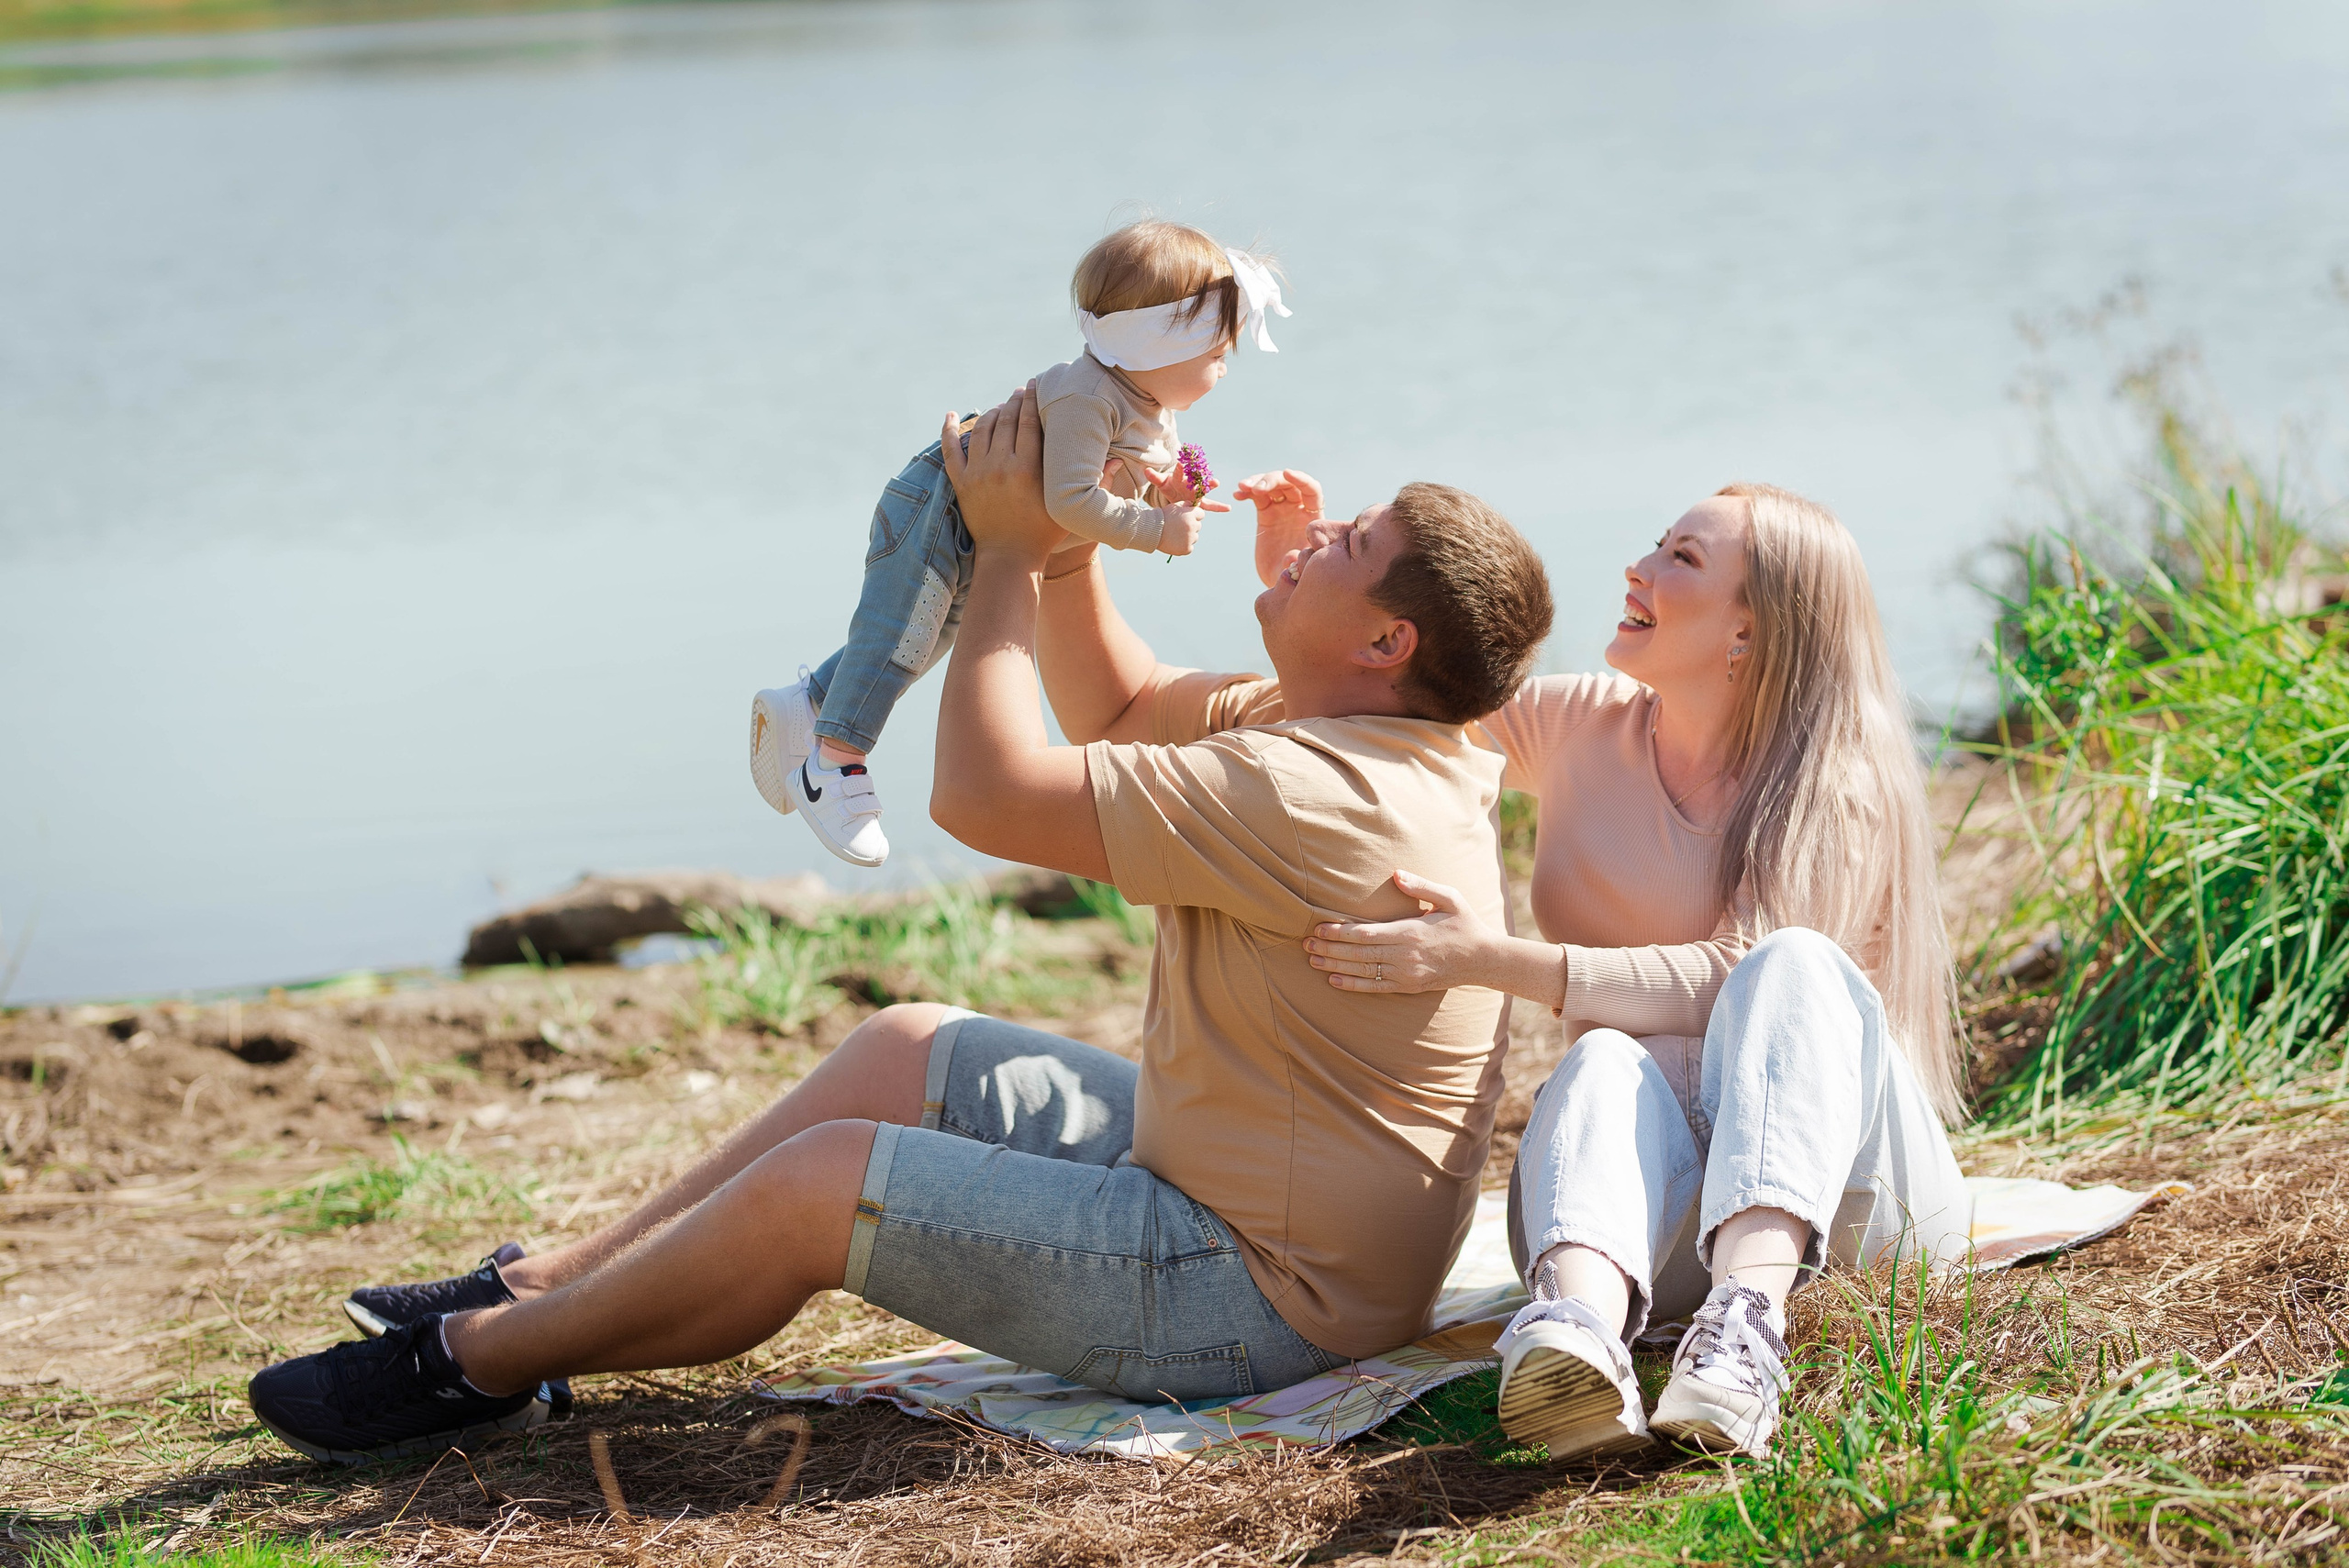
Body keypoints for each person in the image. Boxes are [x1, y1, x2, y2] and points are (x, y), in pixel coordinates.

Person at [243, 388, 1555, 1466]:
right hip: (1237, 1193)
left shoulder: (1316, 787)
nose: (1311, 534)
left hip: (1258, 1300)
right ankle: (544, 1285)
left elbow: (984, 793)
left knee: (834, 1179)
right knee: (909, 1046)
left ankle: (475, 1367)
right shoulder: (1342, 732)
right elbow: (1118, 700)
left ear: (1385, 637)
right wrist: (1072, 525)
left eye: (1348, 544)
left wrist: (993, 553)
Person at [1223, 474, 1970, 1462]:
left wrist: (1485, 958)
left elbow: (1729, 976)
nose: (1637, 566)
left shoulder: (1831, 780)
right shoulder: (1583, 724)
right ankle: (1574, 1338)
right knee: (1598, 1061)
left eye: (1682, 558)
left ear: (1748, 633)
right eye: (1658, 543)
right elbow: (1386, 705)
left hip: (1849, 1205)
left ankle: (1750, 1322)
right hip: (1667, 1222)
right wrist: (1304, 581)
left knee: (1790, 962)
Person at [746, 219, 1286, 869]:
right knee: (903, 637)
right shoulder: (1091, 397)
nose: (1224, 368)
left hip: (977, 517)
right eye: (1216, 353)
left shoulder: (1142, 401)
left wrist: (1157, 494)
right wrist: (1156, 532)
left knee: (928, 638)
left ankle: (806, 703)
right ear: (1156, 346)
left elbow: (1104, 481)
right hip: (938, 506)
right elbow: (1072, 502)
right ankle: (831, 763)